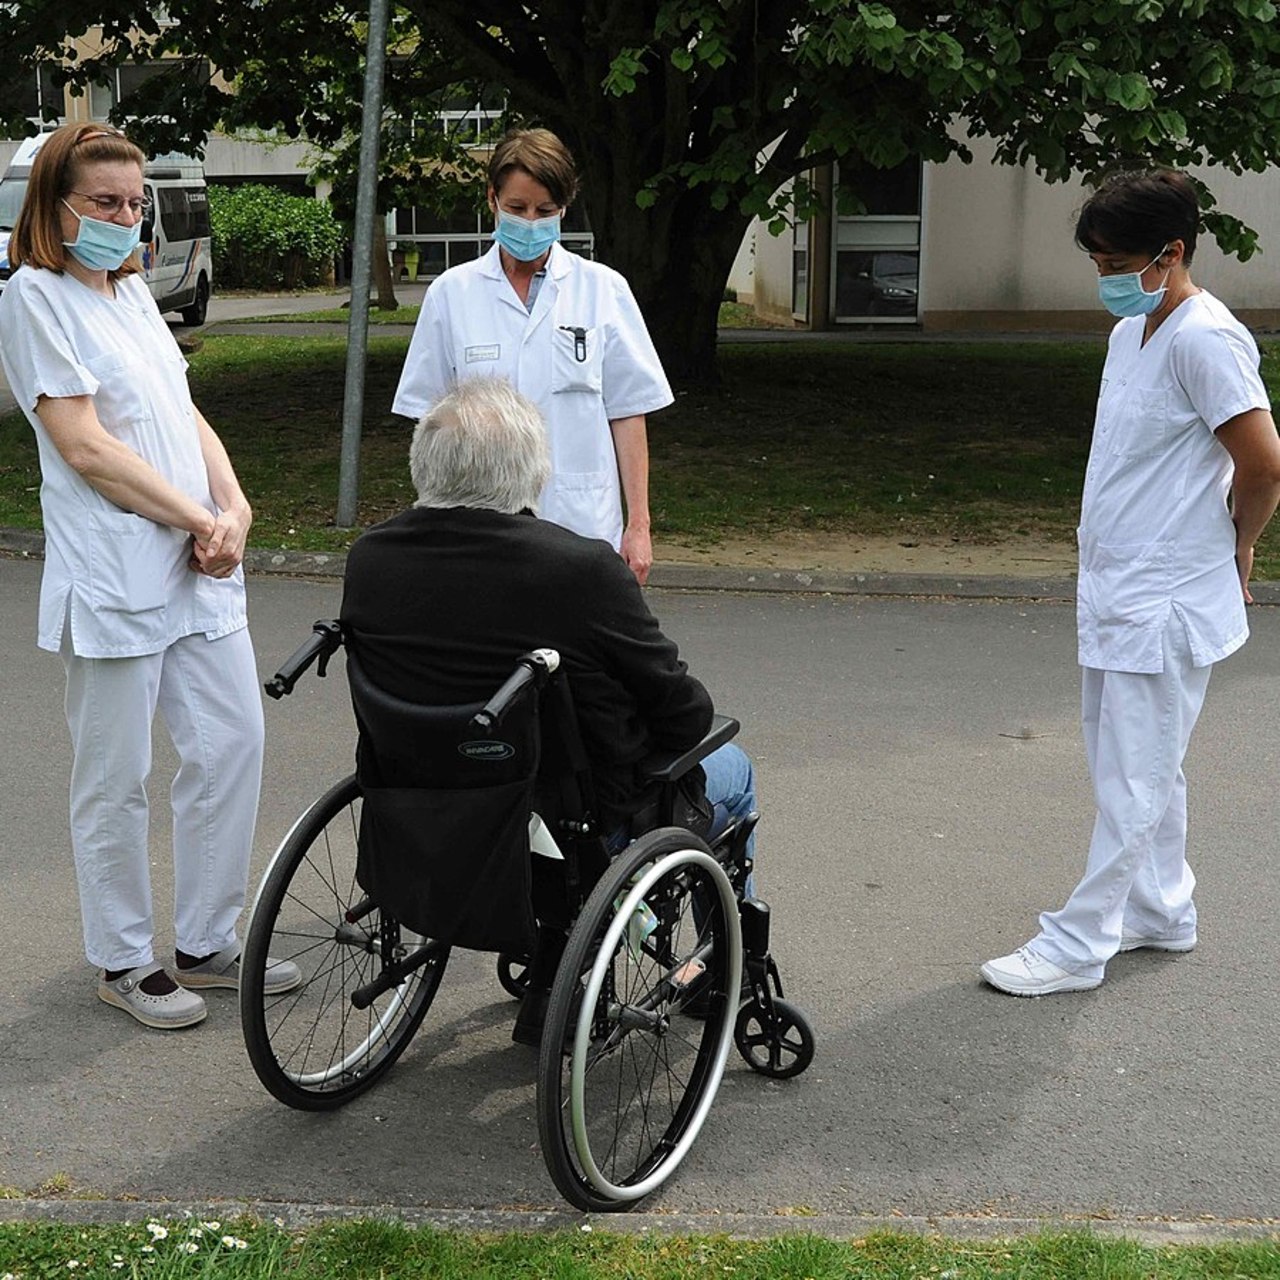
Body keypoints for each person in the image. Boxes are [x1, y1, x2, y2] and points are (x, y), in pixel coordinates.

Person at [0, 122, 298, 1029]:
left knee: (232, 743)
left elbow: (185, 411)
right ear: (55, 208)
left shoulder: (131, 295)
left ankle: (207, 940)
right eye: (105, 203)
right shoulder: (35, 300)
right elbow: (86, 447)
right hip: (119, 575)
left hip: (197, 564)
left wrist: (234, 506)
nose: (125, 219)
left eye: (136, 204)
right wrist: (200, 520)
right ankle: (124, 959)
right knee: (115, 775)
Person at [981, 169, 1280, 997]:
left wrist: (1241, 547)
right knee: (1144, 765)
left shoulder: (1206, 339)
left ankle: (1079, 944)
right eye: (1097, 260)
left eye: (1116, 260)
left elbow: (1263, 465)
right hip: (1120, 587)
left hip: (1167, 595)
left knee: (1134, 775)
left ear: (1171, 253)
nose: (1104, 275)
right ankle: (1161, 908)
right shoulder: (1133, 332)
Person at [341, 374, 756, 879]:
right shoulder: (578, 570)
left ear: (422, 464)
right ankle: (720, 957)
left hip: (424, 805)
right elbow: (685, 715)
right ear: (536, 471)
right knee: (734, 768)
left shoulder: (371, 559)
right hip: (566, 828)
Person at [391, 127, 672, 585]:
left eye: (545, 211)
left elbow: (627, 411)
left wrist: (638, 526)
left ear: (564, 208)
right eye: (517, 208)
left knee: (582, 651)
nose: (530, 222)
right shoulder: (451, 294)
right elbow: (428, 426)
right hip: (479, 530)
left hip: (582, 524)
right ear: (492, 200)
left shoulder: (602, 290)